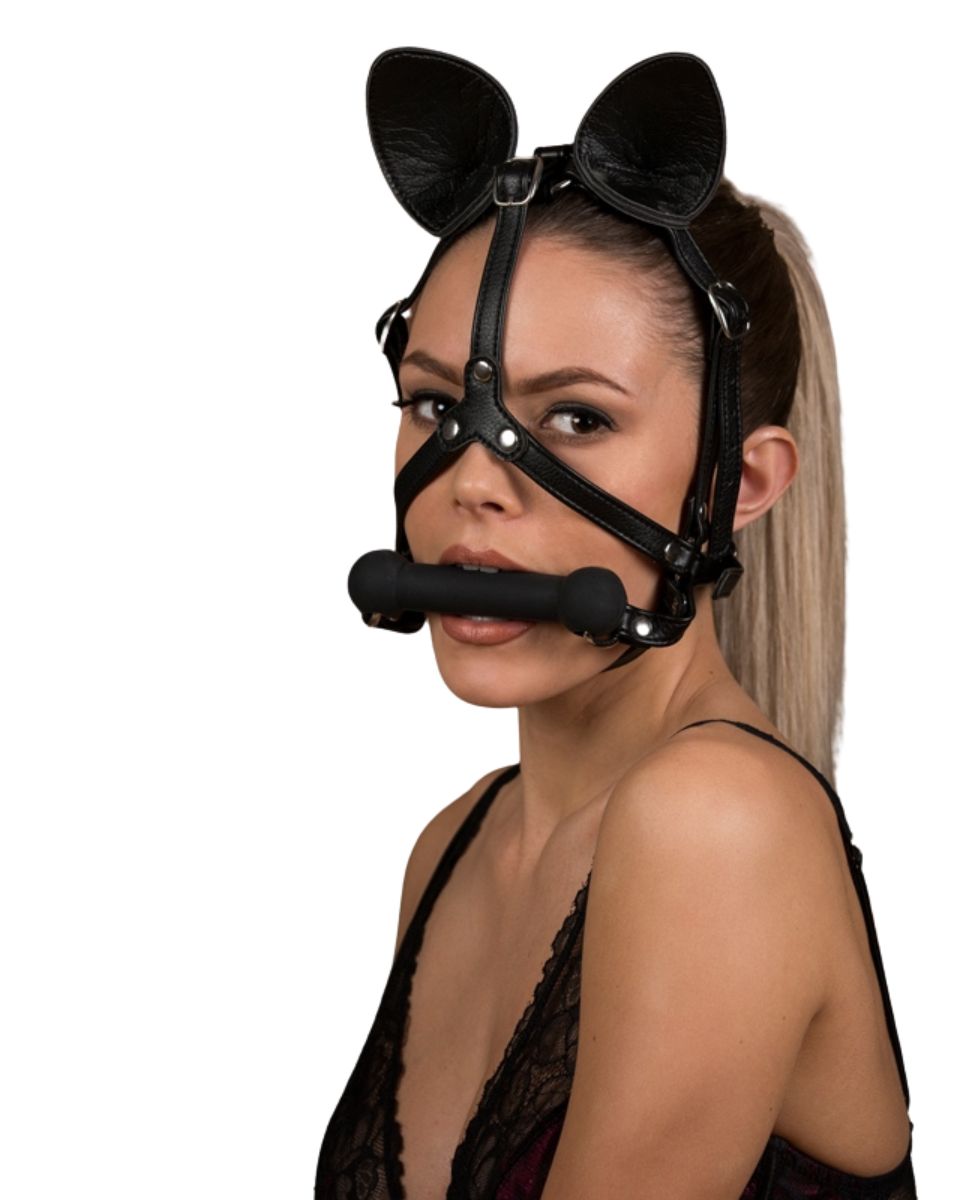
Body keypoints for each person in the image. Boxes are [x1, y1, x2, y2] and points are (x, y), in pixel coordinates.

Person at [317, 48, 917, 1200]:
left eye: (577, 418)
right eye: (436, 403)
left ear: (741, 485)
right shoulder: (452, 850)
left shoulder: (718, 825)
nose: (473, 483)